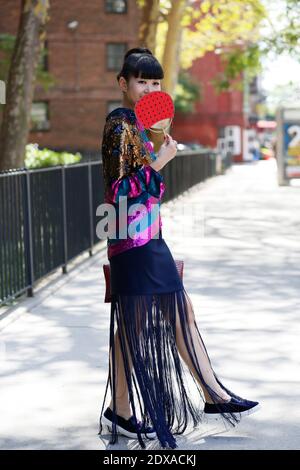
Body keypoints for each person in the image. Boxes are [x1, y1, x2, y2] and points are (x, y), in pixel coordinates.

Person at [97, 47, 260, 450]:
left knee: (146, 320)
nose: (149, 88)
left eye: (155, 82)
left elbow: (144, 189)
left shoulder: (138, 126)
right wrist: (161, 161)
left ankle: (138, 406)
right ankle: (211, 395)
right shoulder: (120, 126)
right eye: (142, 81)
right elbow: (118, 193)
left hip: (145, 235)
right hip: (134, 239)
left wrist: (157, 151)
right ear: (124, 83)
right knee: (155, 317)